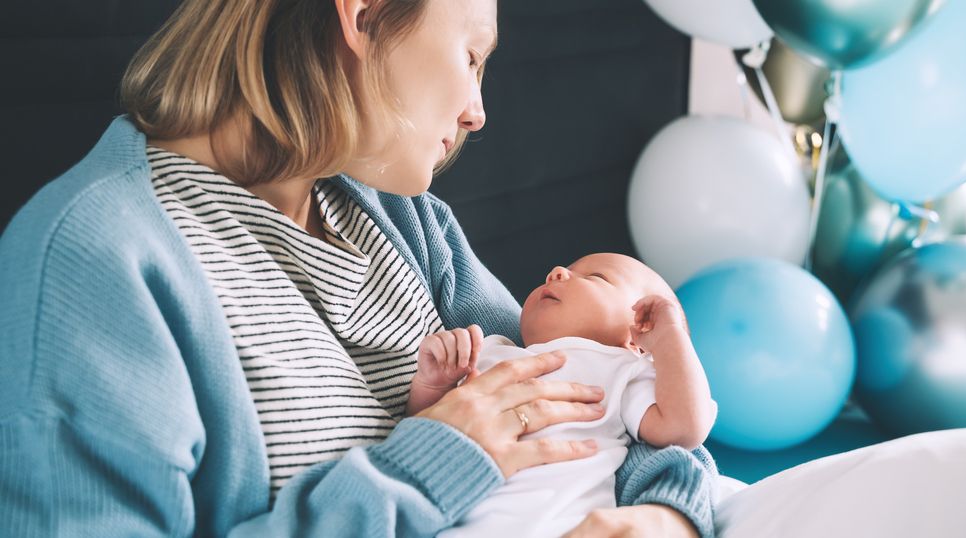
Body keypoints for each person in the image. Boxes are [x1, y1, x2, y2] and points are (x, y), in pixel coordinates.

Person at [0, 0, 717, 536]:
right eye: (470, 57)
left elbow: (590, 393)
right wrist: (431, 465)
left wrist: (666, 515)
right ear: (366, 12)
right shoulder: (93, 261)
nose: (476, 114)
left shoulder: (409, 226)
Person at [407, 253, 718, 537]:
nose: (556, 272)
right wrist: (433, 387)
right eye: (563, 270)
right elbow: (428, 436)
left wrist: (669, 338)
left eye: (597, 278)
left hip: (561, 525)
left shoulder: (621, 368)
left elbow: (683, 428)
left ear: (637, 338)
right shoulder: (490, 350)